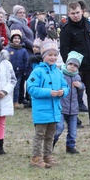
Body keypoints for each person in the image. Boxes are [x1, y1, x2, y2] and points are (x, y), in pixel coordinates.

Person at [60, 2, 90, 127]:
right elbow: (64, 50)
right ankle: (73, 120)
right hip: (75, 68)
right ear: (69, 14)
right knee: (73, 94)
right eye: (73, 13)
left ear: (81, 11)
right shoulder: (66, 30)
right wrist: (69, 66)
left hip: (89, 66)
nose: (76, 15)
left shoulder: (88, 25)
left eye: (77, 12)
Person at [27, 38, 69, 168]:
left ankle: (47, 155)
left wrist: (63, 92)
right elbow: (31, 88)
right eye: (50, 55)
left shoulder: (58, 71)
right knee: (40, 135)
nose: (52, 57)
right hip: (41, 110)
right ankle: (36, 157)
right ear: (44, 56)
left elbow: (65, 86)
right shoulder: (37, 71)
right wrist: (49, 92)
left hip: (55, 109)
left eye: (55, 55)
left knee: (50, 135)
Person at [53, 51, 85, 154]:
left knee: (73, 131)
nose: (72, 67)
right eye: (71, 64)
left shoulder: (77, 77)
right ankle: (51, 142)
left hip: (73, 108)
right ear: (66, 64)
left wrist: (80, 86)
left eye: (75, 65)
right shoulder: (60, 74)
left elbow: (81, 90)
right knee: (59, 127)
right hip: (62, 107)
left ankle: (70, 147)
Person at [5, 29, 29, 108]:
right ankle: (7, 101)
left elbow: (26, 61)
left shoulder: (23, 50)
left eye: (18, 38)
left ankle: (15, 101)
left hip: (19, 72)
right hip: (9, 72)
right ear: (12, 39)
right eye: (15, 38)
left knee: (17, 87)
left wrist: (25, 71)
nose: (16, 40)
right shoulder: (7, 50)